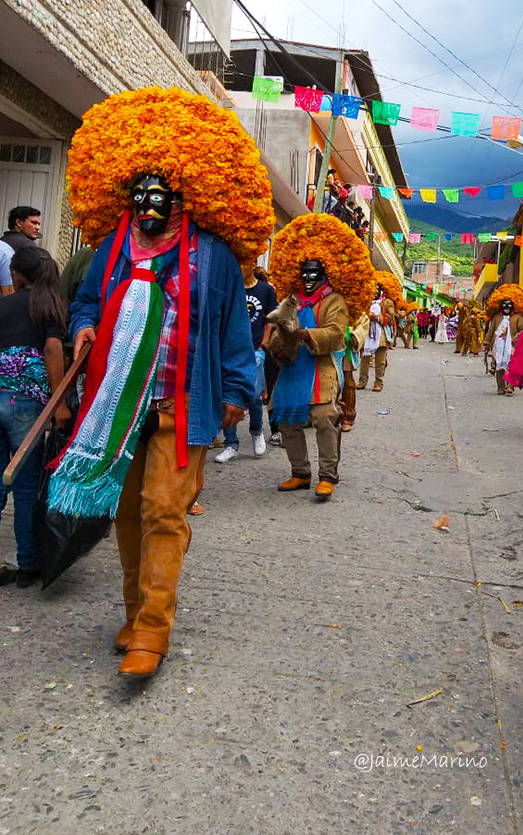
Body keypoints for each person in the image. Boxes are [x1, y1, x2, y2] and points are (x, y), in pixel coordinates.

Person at [62, 87, 271, 679]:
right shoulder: (111, 250)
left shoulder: (216, 258)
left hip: (186, 404)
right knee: (127, 512)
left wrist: (237, 392)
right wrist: (83, 329)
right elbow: (85, 304)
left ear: (182, 195)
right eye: (138, 191)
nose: (147, 202)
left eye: (159, 191)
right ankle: (134, 614)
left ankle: (153, 630)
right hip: (119, 407)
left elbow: (235, 331)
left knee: (163, 511)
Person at [268, 213, 373, 499]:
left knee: (325, 415)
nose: (308, 279)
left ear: (325, 274)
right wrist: (281, 343)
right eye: (304, 273)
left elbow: (337, 333)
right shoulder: (290, 300)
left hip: (321, 367)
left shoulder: (334, 300)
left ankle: (328, 475)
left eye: (314, 274)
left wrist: (304, 335)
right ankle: (300, 472)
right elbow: (278, 334)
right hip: (292, 369)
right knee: (285, 417)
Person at [0, 248, 69, 587]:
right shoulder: (48, 307)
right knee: (26, 487)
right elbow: (53, 350)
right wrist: (59, 403)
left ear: (15, 275)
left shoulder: (4, 304)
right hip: (26, 401)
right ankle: (28, 565)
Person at [215, 262, 276, 464]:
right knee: (229, 395)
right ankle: (231, 443)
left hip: (255, 350)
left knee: (254, 395)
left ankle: (257, 431)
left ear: (252, 265)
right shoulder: (230, 288)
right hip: (231, 349)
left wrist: (264, 343)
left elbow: (270, 318)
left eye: (243, 264)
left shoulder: (265, 290)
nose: (238, 268)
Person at [359, 272, 399, 392]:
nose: (374, 292)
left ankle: (378, 382)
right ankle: (362, 381)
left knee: (380, 361)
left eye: (376, 289)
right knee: (364, 360)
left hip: (380, 335)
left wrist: (377, 317)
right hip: (366, 334)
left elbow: (391, 317)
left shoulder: (387, 302)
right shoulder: (365, 301)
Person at [484, 286, 523, 395]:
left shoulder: (518, 318)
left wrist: (515, 338)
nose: (506, 307)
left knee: (511, 366)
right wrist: (486, 343)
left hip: (512, 347)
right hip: (498, 347)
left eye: (509, 305)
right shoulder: (497, 318)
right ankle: (500, 386)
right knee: (499, 367)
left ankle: (510, 386)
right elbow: (491, 330)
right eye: (504, 305)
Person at [341, 311, 370, 432]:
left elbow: (363, 325)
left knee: (347, 383)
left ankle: (348, 416)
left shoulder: (355, 307)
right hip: (328, 345)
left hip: (345, 346)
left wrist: (353, 337)